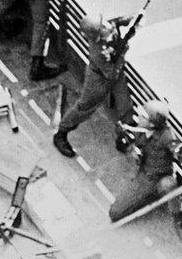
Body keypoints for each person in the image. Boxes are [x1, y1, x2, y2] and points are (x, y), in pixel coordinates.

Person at [108, 100, 182, 243]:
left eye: (143, 116)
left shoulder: (166, 135)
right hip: (144, 176)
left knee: (169, 185)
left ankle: (179, 221)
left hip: (161, 177)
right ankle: (148, 196)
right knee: (115, 213)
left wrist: (181, 153)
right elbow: (123, 145)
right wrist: (124, 141)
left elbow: (177, 148)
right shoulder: (139, 129)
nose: (139, 117)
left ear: (152, 124)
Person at [53, 13, 135, 158]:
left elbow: (117, 21)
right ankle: (61, 133)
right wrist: (123, 52)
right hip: (99, 78)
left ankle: (125, 136)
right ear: (97, 36)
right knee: (84, 107)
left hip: (115, 70)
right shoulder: (98, 51)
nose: (106, 26)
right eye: (102, 27)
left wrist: (133, 17)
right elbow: (110, 74)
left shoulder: (105, 26)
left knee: (125, 105)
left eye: (104, 23)